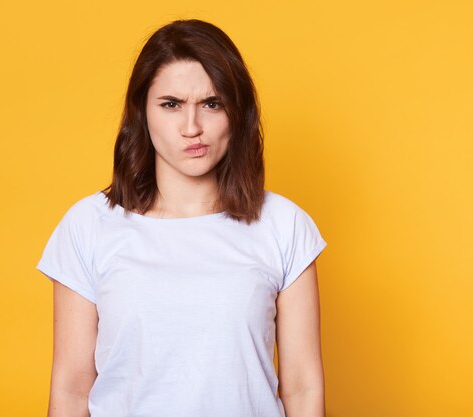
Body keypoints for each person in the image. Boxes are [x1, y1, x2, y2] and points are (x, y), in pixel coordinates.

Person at [36, 19, 328, 417]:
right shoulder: (87, 226)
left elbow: (303, 387)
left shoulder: (284, 225)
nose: (192, 128)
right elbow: (71, 391)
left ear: (236, 113)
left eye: (212, 103)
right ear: (142, 112)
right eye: (171, 104)